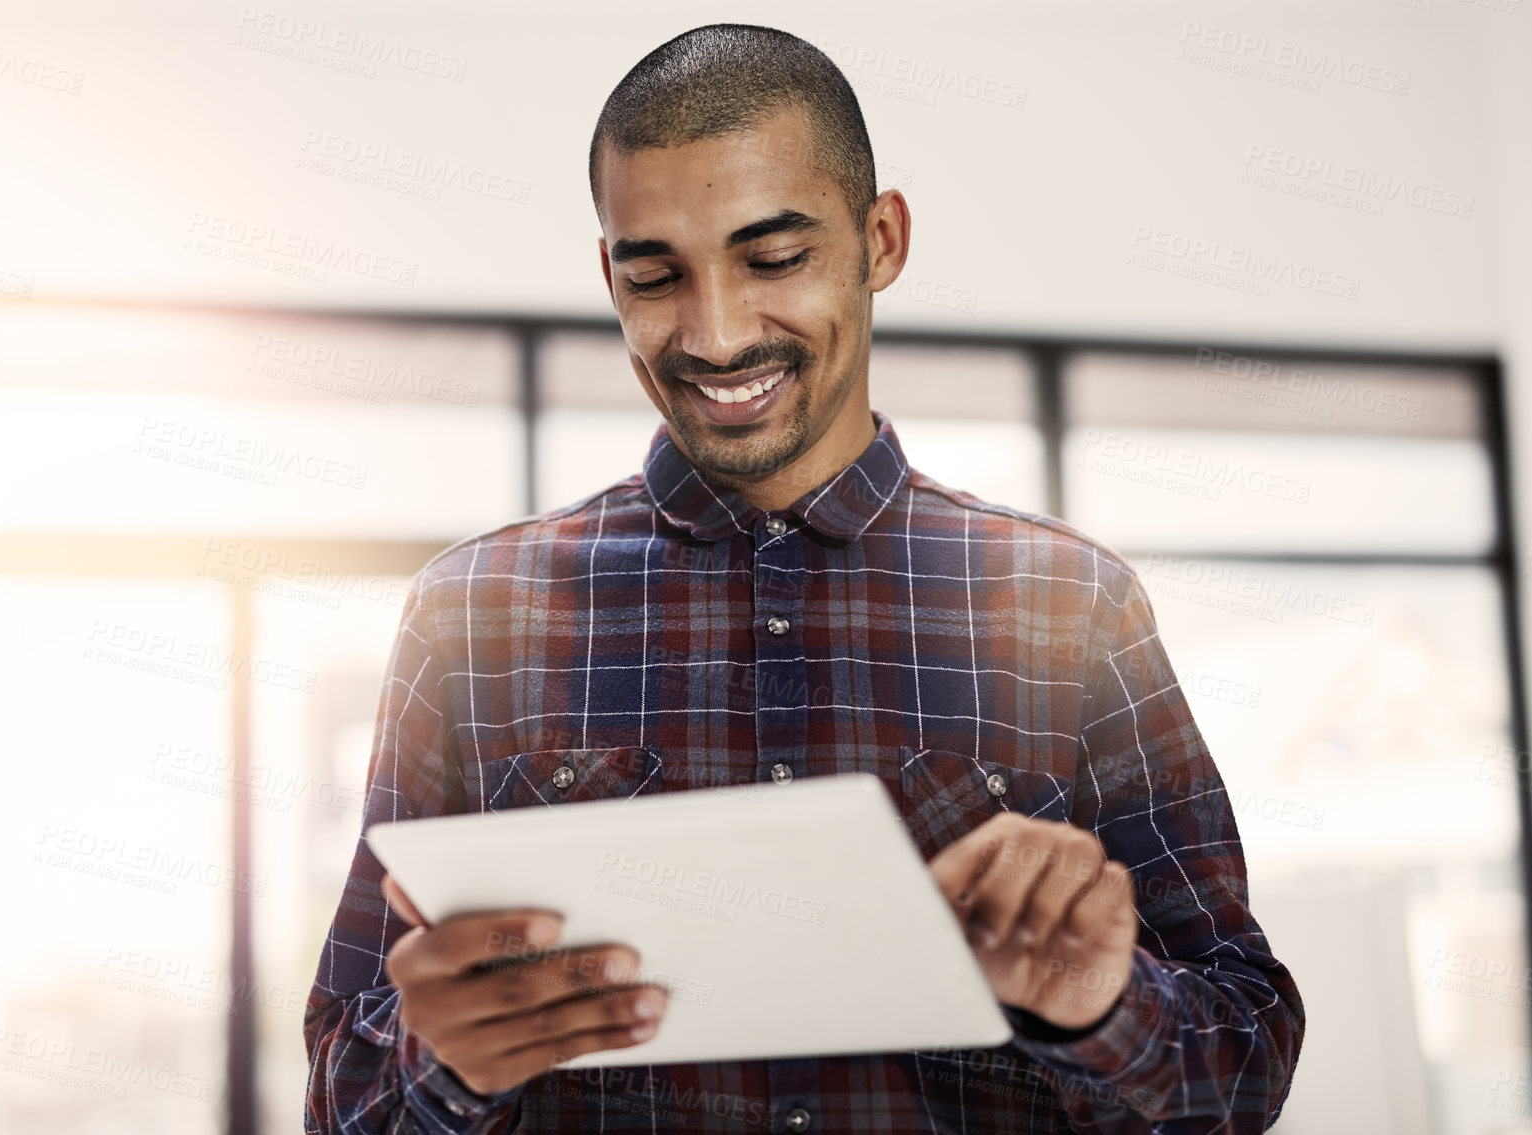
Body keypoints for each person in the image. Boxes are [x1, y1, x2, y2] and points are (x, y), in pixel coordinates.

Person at [304, 23, 1304, 1134]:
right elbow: (343, 1099)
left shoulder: (1071, 604)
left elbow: (1245, 1064)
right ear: (609, 275)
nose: (718, 332)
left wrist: (1100, 1007)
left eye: (774, 258)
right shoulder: (471, 618)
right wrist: (445, 1067)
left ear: (881, 240)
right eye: (655, 273)